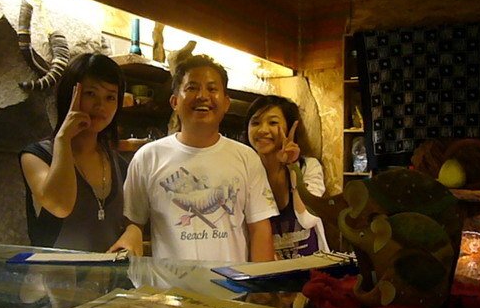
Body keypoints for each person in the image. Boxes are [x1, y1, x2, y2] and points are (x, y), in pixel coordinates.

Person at [110, 55, 277, 262]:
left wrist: (262, 281)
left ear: (226, 103)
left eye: (212, 89)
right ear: (174, 102)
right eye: (192, 88)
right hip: (170, 284)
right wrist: (131, 234)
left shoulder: (247, 158)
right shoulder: (148, 157)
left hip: (233, 283)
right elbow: (134, 222)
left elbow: (260, 230)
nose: (203, 96)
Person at [20, 53, 131, 253]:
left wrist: (133, 231)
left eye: (110, 97)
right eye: (90, 93)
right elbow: (60, 205)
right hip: (51, 272)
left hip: (109, 273)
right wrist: (63, 139)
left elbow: (134, 220)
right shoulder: (36, 156)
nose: (100, 105)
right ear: (69, 95)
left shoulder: (120, 165)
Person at [245, 95, 330, 260]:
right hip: (267, 270)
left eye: (273, 123)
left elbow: (308, 219)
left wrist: (293, 168)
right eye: (255, 123)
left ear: (290, 128)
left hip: (312, 269)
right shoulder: (244, 173)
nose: (262, 130)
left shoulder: (308, 167)